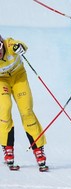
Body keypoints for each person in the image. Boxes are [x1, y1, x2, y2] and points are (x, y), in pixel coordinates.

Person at [0, 34, 48, 171]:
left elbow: (21, 44)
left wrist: (20, 47)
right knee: (5, 108)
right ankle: (7, 147)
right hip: (1, 81)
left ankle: (38, 148)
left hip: (18, 78)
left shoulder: (9, 45)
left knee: (26, 110)